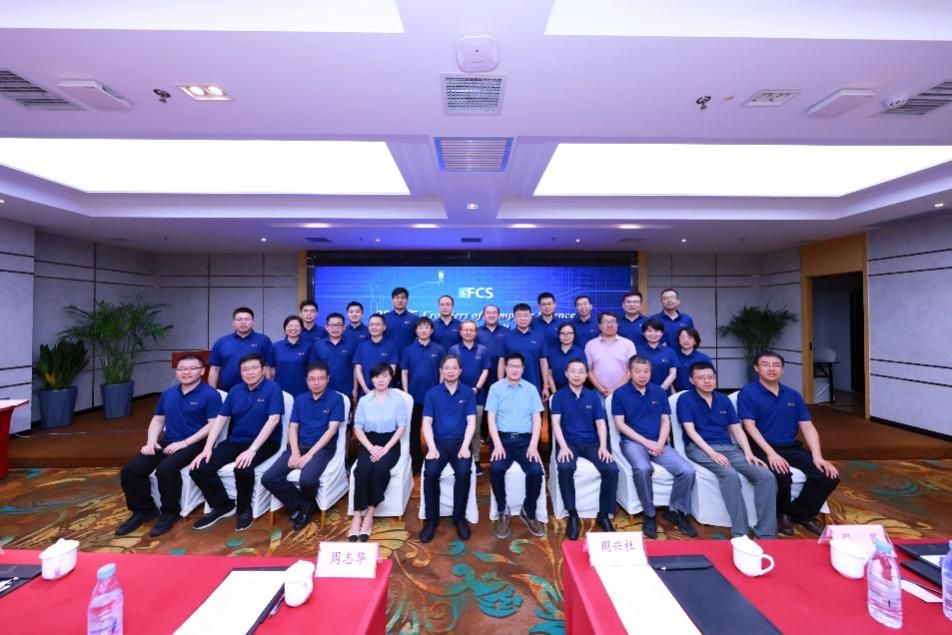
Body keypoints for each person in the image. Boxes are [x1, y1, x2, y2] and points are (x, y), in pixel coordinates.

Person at [116, 355, 222, 537]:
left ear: (202, 371)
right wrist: (151, 441)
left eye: (192, 368)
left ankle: (169, 512)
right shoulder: (169, 393)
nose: (186, 372)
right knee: (131, 470)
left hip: (196, 443)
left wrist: (185, 443)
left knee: (166, 469)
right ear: (176, 372)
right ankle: (143, 510)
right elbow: (158, 419)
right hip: (169, 441)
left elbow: (213, 424)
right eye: (182, 369)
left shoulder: (210, 394)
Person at [739, 351, 840, 536]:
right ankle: (781, 513)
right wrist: (771, 453)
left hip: (790, 446)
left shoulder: (792, 395)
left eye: (776, 365)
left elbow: (807, 427)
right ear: (756, 368)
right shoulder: (748, 393)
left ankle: (800, 513)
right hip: (761, 447)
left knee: (828, 476)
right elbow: (749, 426)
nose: (771, 369)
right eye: (765, 364)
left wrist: (818, 456)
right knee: (782, 476)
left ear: (782, 370)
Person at [677, 362, 777, 539]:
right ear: (692, 380)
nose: (707, 381)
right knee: (729, 475)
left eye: (710, 377)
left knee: (766, 476)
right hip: (700, 448)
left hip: (728, 447)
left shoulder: (723, 400)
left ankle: (766, 532)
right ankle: (741, 531)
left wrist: (748, 453)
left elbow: (736, 429)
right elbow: (690, 431)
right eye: (701, 378)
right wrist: (712, 453)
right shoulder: (685, 399)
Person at [189, 353, 284, 531]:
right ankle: (222, 505)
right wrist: (207, 448)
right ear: (240, 372)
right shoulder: (235, 390)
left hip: (266, 442)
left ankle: (244, 510)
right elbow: (221, 419)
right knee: (199, 468)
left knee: (242, 468)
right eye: (245, 369)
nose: (249, 372)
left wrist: (252, 450)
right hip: (236, 440)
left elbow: (274, 420)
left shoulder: (273, 388)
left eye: (254, 368)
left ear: (263, 370)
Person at [612, 356, 697, 538]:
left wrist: (659, 442)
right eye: (637, 371)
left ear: (651, 372)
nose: (642, 375)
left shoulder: (659, 392)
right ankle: (649, 514)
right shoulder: (619, 394)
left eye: (646, 371)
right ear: (630, 372)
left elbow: (666, 420)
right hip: (633, 442)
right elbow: (620, 424)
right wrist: (646, 442)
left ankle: (676, 511)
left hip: (659, 442)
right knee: (643, 468)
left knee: (687, 470)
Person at [262, 362, 345, 531]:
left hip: (323, 448)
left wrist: (309, 455)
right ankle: (304, 505)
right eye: (312, 379)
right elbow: (293, 428)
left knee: (307, 480)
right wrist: (295, 452)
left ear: (328, 379)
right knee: (269, 478)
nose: (316, 382)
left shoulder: (336, 399)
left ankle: (302, 507)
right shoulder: (300, 399)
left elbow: (331, 430)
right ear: (306, 380)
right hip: (299, 446)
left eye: (321, 378)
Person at [551, 359, 619, 540]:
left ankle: (603, 514)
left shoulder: (593, 397)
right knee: (565, 467)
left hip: (591, 443)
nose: (577, 375)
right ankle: (572, 513)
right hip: (569, 443)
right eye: (573, 371)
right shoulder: (558, 396)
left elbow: (601, 424)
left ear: (586, 375)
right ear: (566, 374)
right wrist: (562, 447)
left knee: (611, 469)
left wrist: (603, 447)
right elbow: (556, 424)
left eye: (581, 371)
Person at [486, 353, 546, 539]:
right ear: (505, 368)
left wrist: (533, 446)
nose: (514, 369)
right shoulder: (496, 388)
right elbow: (491, 418)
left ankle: (528, 510)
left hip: (525, 441)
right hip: (502, 440)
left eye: (518, 366)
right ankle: (502, 510)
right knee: (496, 468)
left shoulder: (531, 389)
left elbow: (537, 419)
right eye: (511, 366)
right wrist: (497, 445)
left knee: (536, 471)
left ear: (523, 369)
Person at [419, 355, 477, 543]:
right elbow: (426, 423)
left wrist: (466, 446)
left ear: (460, 371)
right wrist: (431, 447)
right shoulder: (432, 393)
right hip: (439, 443)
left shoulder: (468, 393)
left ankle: (459, 518)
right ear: (441, 371)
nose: (450, 371)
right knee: (430, 472)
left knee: (463, 472)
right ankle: (431, 519)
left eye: (454, 368)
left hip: (460, 442)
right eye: (447, 368)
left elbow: (471, 422)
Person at [351, 363, 408, 542]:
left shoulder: (398, 400)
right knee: (362, 470)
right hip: (368, 442)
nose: (381, 380)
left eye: (385, 376)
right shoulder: (364, 400)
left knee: (380, 470)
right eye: (377, 376)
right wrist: (370, 447)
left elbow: (401, 427)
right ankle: (357, 515)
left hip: (390, 443)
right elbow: (358, 427)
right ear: (372, 379)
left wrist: (386, 448)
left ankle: (370, 512)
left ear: (391, 377)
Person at [401, 317, 446, 474]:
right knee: (413, 432)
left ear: (431, 330)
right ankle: (416, 462)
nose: (423, 330)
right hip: (413, 398)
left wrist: (440, 391)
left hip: (434, 398)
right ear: (416, 330)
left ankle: (435, 460)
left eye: (427, 327)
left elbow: (442, 372)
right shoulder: (408, 349)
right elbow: (404, 372)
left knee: (436, 430)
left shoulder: (439, 349)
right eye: (420, 327)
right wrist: (406, 393)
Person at [448, 321, 490, 475]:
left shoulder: (483, 350)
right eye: (465, 330)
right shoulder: (454, 349)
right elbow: (450, 370)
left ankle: (476, 460)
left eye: (471, 330)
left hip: (477, 395)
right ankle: (458, 457)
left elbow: (485, 370)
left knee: (476, 430)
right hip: (456, 394)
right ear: (460, 332)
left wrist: (476, 388)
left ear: (476, 332)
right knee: (457, 428)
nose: (468, 332)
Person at [208, 307, 272, 391]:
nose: (243, 322)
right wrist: (212, 391)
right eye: (239, 319)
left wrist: (267, 389)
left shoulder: (263, 340)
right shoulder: (222, 342)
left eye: (247, 319)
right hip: (226, 390)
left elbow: (267, 368)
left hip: (256, 390)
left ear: (253, 322)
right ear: (233, 323)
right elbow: (214, 369)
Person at [497, 303, 551, 399]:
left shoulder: (538, 337)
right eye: (519, 316)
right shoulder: (507, 337)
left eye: (526, 315)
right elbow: (501, 362)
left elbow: (543, 362)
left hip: (534, 384)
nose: (523, 319)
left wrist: (545, 386)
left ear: (531, 317)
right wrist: (500, 385)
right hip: (511, 386)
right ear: (514, 318)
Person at [310, 312, 358, 406]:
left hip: (347, 391)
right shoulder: (318, 345)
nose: (335, 328)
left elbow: (356, 368)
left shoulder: (352, 344)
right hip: (324, 391)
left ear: (344, 327)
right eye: (332, 325)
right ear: (326, 327)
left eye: (339, 325)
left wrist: (355, 389)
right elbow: (313, 370)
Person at [585, 311, 637, 399]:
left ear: (617, 325)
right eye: (606, 322)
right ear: (599, 326)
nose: (609, 325)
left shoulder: (628, 344)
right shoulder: (590, 345)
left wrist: (615, 389)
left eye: (613, 322)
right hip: (598, 392)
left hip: (623, 391)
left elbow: (631, 370)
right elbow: (588, 370)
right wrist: (601, 389)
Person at [353, 313, 398, 396]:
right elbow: (358, 370)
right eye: (371, 324)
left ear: (384, 327)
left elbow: (392, 370)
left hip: (386, 392)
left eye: (378, 325)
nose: (374, 327)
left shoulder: (391, 346)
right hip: (365, 392)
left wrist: (380, 389)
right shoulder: (361, 346)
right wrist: (365, 389)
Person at [265, 315, 310, 397]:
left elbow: (311, 369)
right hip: (280, 390)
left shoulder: (308, 347)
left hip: (302, 390)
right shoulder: (275, 346)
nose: (293, 328)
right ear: (285, 328)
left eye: (296, 326)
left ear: (301, 328)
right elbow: (269, 368)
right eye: (290, 326)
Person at [639, 319, 678, 391]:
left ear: (662, 333)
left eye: (656, 331)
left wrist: (661, 389)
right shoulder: (637, 350)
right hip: (641, 391)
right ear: (644, 333)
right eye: (649, 331)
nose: (653, 334)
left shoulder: (670, 352)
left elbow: (673, 374)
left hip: (664, 391)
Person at [673, 327, 714, 392]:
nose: (686, 340)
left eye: (690, 338)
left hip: (698, 392)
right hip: (676, 392)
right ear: (678, 340)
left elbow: (711, 377)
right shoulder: (673, 357)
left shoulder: (703, 358)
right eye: (683, 338)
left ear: (695, 341)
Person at [547, 322, 585, 392]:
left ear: (574, 335)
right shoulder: (551, 352)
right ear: (558, 335)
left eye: (569, 333)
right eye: (563, 333)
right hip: (555, 389)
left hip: (575, 389)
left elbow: (583, 373)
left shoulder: (580, 353)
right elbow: (549, 373)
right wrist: (555, 392)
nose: (566, 336)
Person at [384, 286, 416, 358]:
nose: (400, 300)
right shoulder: (384, 318)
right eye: (397, 297)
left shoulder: (414, 319)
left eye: (403, 298)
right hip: (388, 358)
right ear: (392, 300)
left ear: (407, 301)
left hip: (409, 358)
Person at [478, 303, 509, 374]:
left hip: (503, 373)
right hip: (481, 373)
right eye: (488, 313)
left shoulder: (507, 332)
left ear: (499, 315)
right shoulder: (477, 332)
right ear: (483, 316)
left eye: (494, 313)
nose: (491, 315)